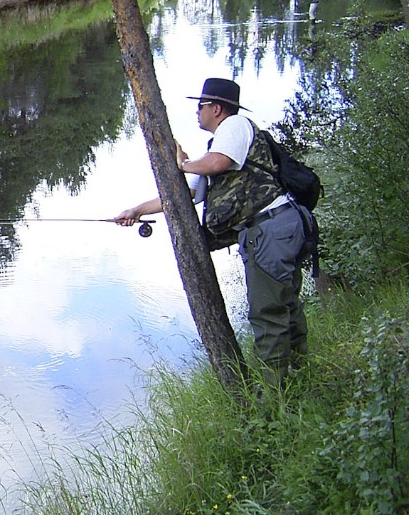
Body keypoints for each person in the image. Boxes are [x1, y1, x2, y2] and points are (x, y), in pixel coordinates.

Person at [112, 78, 309, 389]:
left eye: (200, 106)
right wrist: (136, 210)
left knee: (269, 314)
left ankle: (275, 401)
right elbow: (185, 195)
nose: (197, 112)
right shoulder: (219, 144)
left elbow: (217, 164)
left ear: (217, 109)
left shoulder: (234, 126)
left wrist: (184, 163)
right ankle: (300, 381)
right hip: (274, 228)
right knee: (285, 307)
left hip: (270, 228)